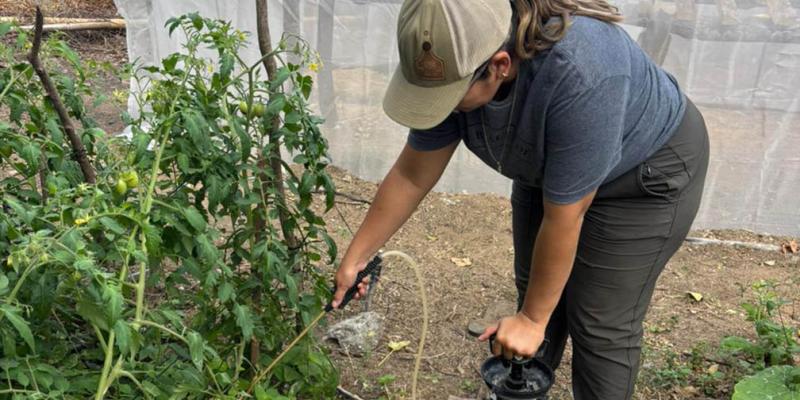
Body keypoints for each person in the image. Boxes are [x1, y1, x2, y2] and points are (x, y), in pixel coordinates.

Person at [330, 0, 710, 398]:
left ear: (499, 66)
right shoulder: (454, 59)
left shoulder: (583, 70)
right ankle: (521, 388)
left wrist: (531, 318)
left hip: (643, 177)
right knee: (537, 290)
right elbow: (411, 174)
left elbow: (567, 214)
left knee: (598, 323)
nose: (439, 109)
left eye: (448, 96)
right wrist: (356, 256)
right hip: (548, 164)